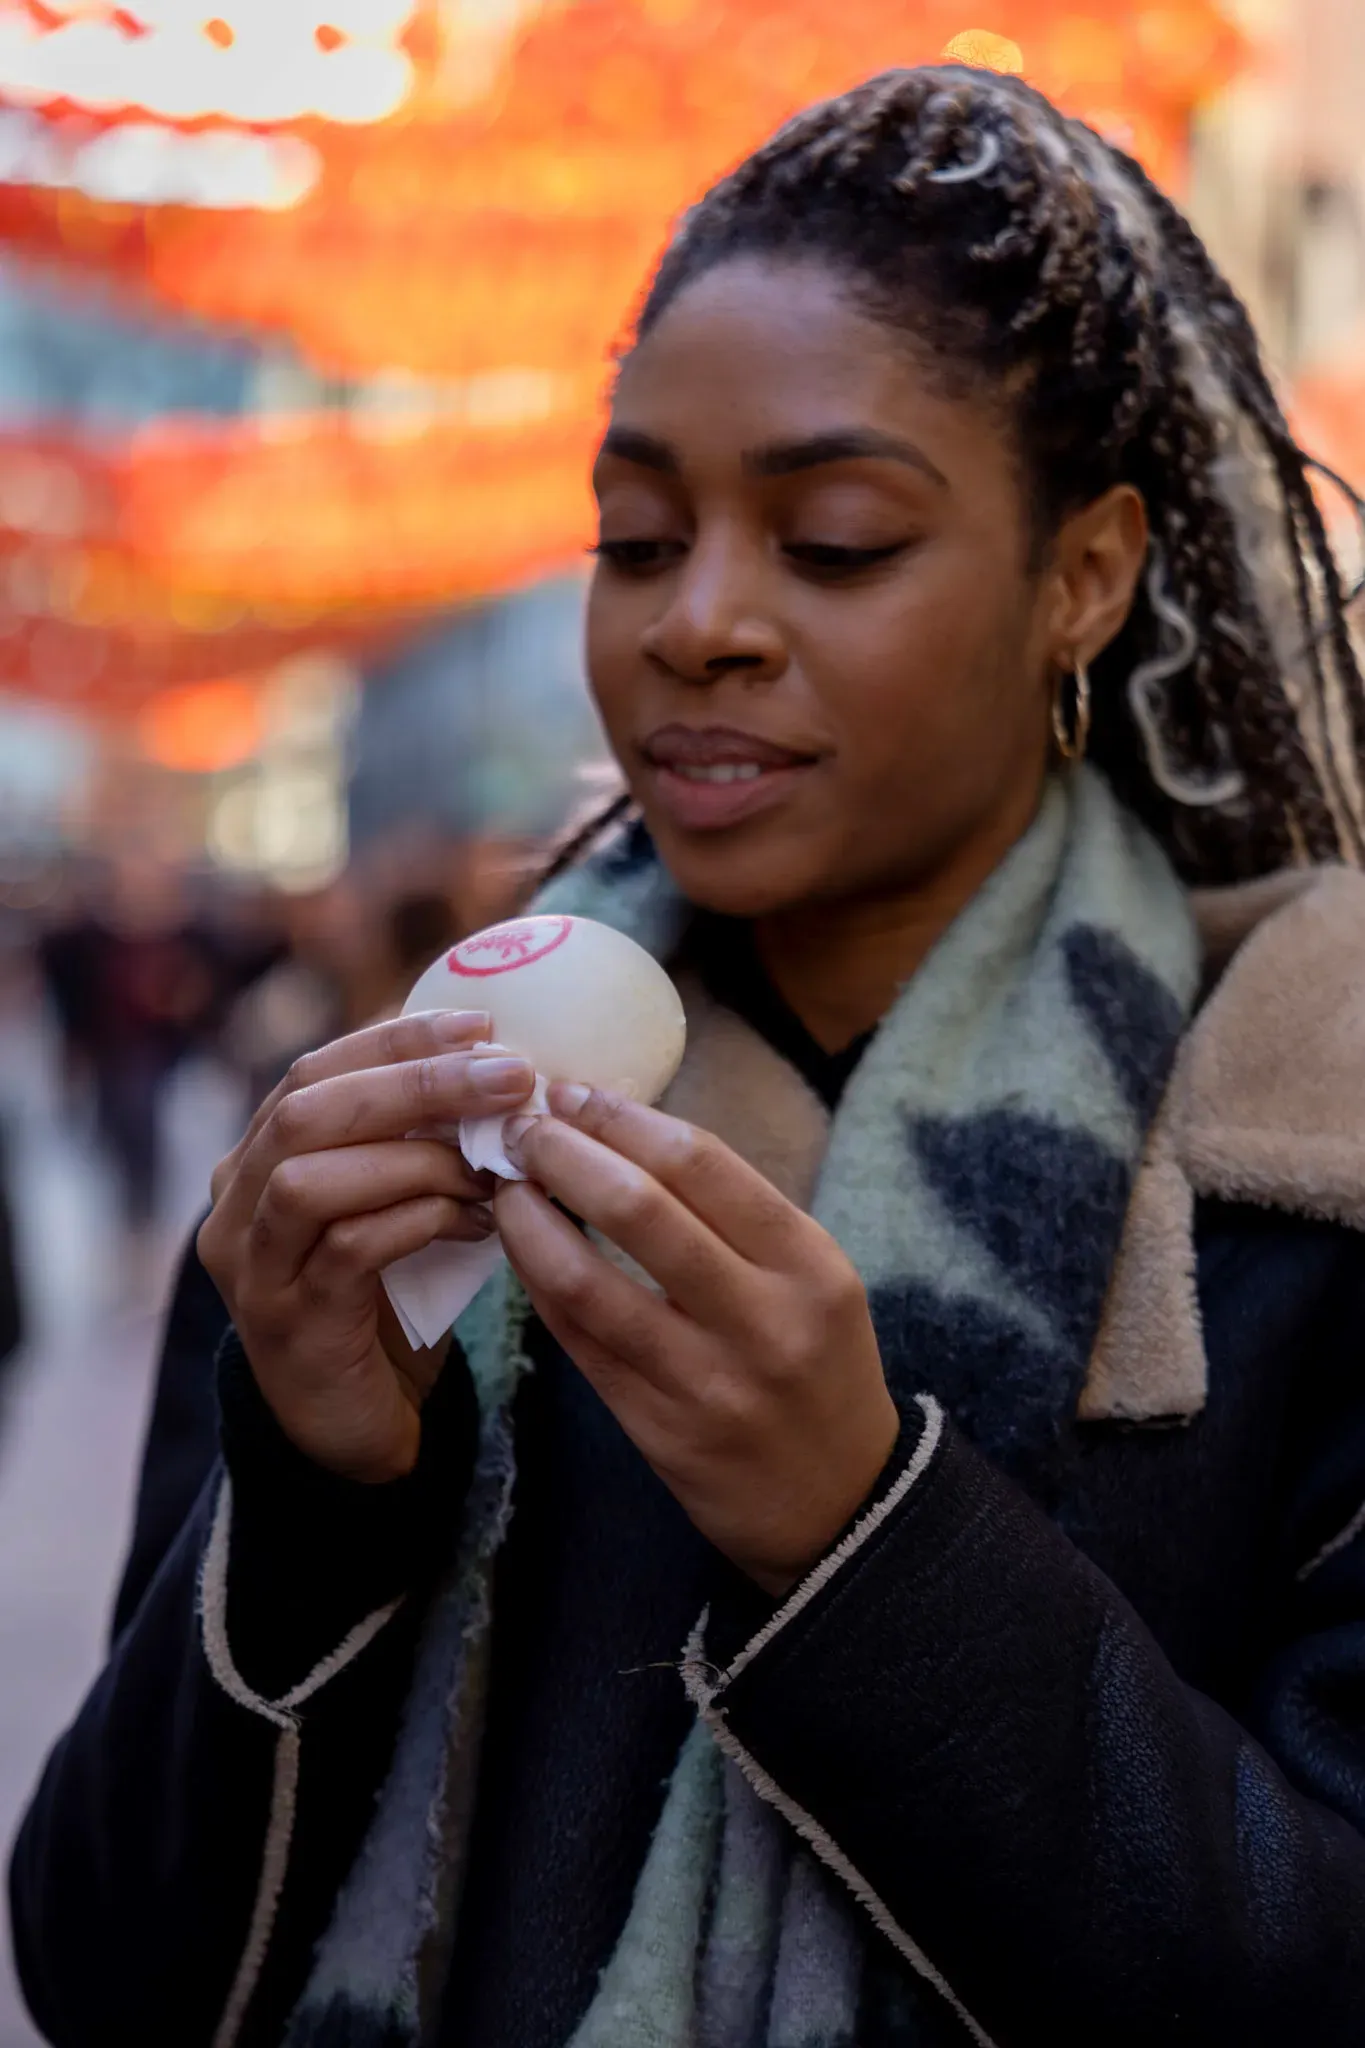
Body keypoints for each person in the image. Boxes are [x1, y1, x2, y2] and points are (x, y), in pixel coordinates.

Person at [11, 63, 1365, 2047]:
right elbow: (112, 1976)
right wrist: (312, 1502)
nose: (699, 623)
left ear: (1082, 571)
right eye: (635, 540)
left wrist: (867, 1542)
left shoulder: (1300, 1160)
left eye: (830, 542)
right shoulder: (408, 1131)